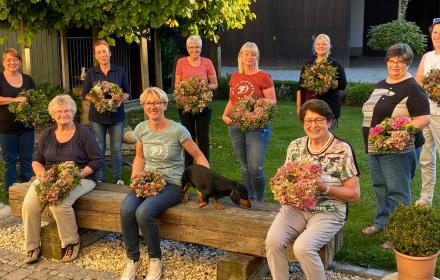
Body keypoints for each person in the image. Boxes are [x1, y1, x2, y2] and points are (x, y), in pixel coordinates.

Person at [120, 87, 209, 280]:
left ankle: (155, 259)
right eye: (148, 103)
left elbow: (199, 157)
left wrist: (203, 186)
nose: (153, 107)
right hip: (148, 181)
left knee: (143, 213)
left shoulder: (178, 130)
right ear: (143, 106)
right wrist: (135, 178)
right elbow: (139, 157)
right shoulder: (141, 129)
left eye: (157, 102)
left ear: (165, 105)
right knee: (127, 209)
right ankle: (132, 260)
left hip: (173, 184)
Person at [265, 99, 360, 280]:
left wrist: (324, 188)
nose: (313, 125)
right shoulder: (295, 146)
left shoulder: (342, 149)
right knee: (273, 241)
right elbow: (286, 177)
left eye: (319, 120)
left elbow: (354, 195)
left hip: (329, 210)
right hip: (296, 208)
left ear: (329, 122)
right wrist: (282, 188)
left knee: (303, 247)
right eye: (308, 121)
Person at [21, 95, 103, 264]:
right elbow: (36, 160)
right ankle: (32, 246)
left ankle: (71, 242)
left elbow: (97, 161)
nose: (63, 114)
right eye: (59, 111)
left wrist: (76, 175)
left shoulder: (83, 133)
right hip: (50, 177)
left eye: (67, 110)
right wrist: (41, 175)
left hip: (81, 177)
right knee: (29, 205)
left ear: (73, 112)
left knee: (58, 203)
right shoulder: (47, 134)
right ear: (53, 114)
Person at [361, 43, 430, 237]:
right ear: (386, 62)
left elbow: (423, 119)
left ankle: (399, 232)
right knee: (380, 187)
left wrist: (397, 130)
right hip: (375, 146)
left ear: (408, 63)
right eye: (391, 61)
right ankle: (382, 223)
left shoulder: (412, 88)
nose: (395, 65)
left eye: (401, 61)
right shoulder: (382, 84)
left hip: (398, 149)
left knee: (397, 191)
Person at [221, 42, 276, 202]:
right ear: (241, 56)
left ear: (257, 57)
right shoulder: (235, 76)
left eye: (253, 54)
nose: (249, 57)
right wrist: (225, 116)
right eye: (246, 53)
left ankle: (260, 199)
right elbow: (232, 101)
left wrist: (255, 102)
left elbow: (272, 101)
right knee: (245, 167)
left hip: (257, 126)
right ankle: (248, 198)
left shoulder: (263, 76)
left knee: (255, 168)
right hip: (236, 126)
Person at [82, 39, 130, 184]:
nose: (102, 55)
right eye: (99, 53)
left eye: (104, 51)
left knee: (116, 149)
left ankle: (117, 178)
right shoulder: (91, 73)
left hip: (117, 116)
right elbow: (85, 94)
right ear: (96, 56)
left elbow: (127, 92)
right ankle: (99, 178)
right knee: (99, 149)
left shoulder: (120, 71)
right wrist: (96, 100)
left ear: (109, 53)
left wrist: (119, 98)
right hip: (97, 117)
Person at [0, 48, 36, 219]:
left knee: (27, 158)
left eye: (15, 60)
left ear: (20, 62)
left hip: (26, 126)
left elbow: (33, 98)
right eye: (9, 60)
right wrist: (15, 100)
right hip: (6, 127)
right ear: (3, 62)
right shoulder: (0, 79)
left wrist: (28, 103)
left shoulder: (28, 79)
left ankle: (28, 194)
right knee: (10, 161)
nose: (12, 63)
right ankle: (12, 196)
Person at [174, 35, 218, 167]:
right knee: (188, 136)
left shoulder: (207, 62)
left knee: (203, 136)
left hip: (203, 105)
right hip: (185, 105)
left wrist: (200, 86)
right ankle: (188, 166)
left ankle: (204, 165)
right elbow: (177, 85)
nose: (194, 50)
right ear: (187, 48)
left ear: (201, 48)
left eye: (197, 47)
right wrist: (186, 87)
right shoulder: (181, 62)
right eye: (192, 47)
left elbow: (214, 84)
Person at [296, 34, 347, 129]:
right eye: (318, 44)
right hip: (309, 107)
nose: (321, 46)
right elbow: (300, 87)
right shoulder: (308, 65)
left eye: (324, 44)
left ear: (329, 46)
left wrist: (328, 81)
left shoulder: (335, 65)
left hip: (329, 107)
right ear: (315, 47)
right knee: (312, 135)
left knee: (327, 137)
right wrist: (299, 107)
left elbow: (343, 85)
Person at [415, 18, 440, 207]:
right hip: (426, 114)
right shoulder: (427, 57)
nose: (437, 37)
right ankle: (425, 199)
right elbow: (418, 83)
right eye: (435, 33)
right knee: (426, 158)